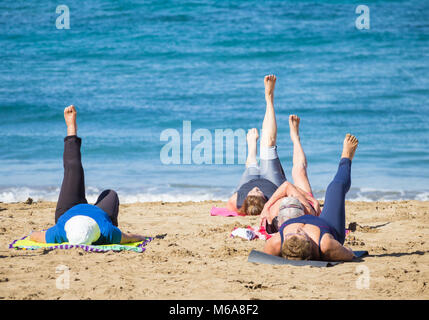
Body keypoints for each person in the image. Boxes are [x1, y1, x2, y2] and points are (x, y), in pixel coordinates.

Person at [29, 105, 147, 245]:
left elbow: (35, 236)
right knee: (110, 194)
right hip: (99, 214)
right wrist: (142, 238)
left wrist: (32, 234)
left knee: (74, 169)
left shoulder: (60, 230)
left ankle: (71, 128)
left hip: (68, 210)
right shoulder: (107, 231)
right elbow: (131, 237)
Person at [263, 134, 359, 261]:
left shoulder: (274, 244)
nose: (297, 229)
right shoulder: (326, 245)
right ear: (310, 243)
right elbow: (350, 254)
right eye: (300, 234)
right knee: (335, 188)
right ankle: (346, 158)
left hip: (307, 215)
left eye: (291, 235)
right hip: (328, 226)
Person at [226, 75, 286, 215]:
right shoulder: (274, 202)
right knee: (269, 143)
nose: (256, 189)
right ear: (266, 200)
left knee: (252, 165)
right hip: (273, 182)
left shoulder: (238, 201)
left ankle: (252, 147)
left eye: (252, 192)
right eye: (258, 192)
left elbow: (229, 208)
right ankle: (269, 98)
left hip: (247, 181)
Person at [259, 114, 321, 234]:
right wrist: (313, 200)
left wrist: (266, 206)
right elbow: (287, 186)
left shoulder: (271, 218)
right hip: (302, 199)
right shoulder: (309, 211)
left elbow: (287, 186)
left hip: (295, 198)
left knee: (298, 171)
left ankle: (295, 137)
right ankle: (295, 138)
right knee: (299, 170)